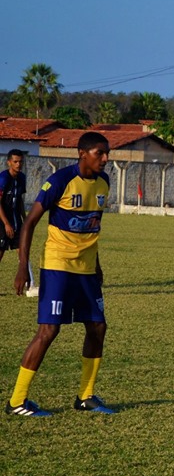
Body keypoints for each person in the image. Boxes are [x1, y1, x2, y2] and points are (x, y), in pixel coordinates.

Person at [6, 132, 115, 416]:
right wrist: (22, 266)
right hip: (58, 266)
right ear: (82, 153)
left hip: (87, 270)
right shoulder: (60, 181)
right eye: (100, 153)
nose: (106, 159)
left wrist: (98, 266)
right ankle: (17, 401)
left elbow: (93, 226)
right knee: (48, 331)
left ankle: (86, 396)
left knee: (97, 327)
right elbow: (29, 223)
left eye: (107, 153)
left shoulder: (105, 183)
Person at [0, 149, 37, 295]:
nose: (18, 164)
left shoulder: (22, 178)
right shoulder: (3, 178)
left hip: (16, 221)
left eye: (21, 161)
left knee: (23, 252)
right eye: (15, 161)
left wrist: (25, 218)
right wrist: (6, 224)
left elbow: (20, 200)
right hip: (2, 222)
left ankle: (31, 286)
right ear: (9, 162)